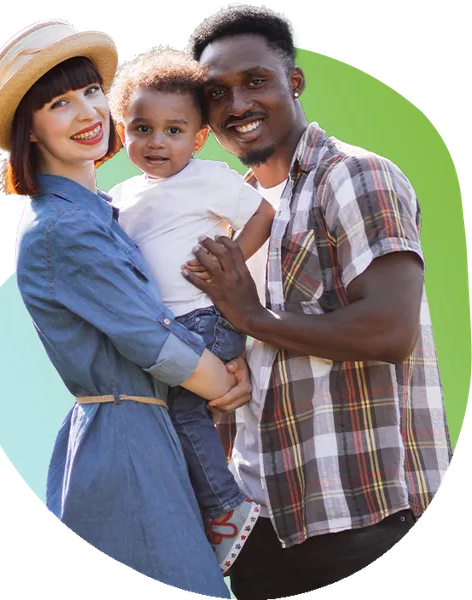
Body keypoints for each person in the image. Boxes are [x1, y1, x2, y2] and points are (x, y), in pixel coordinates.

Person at [181, 4, 454, 598]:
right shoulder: (232, 215)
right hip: (265, 531)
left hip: (367, 519)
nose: (237, 105)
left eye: (255, 81)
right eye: (216, 93)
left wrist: (249, 315)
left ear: (294, 82)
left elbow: (388, 330)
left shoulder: (354, 176)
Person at [0, 17, 249, 599]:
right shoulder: (64, 227)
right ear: (29, 130)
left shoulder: (100, 210)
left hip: (148, 427)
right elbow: (148, 338)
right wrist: (227, 379)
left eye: (91, 92)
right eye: (59, 103)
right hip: (125, 439)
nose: (87, 114)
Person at [106, 46, 273, 572]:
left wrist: (228, 264)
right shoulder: (121, 195)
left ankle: (226, 508)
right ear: (122, 130)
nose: (157, 142)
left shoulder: (208, 178)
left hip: (204, 318)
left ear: (198, 138)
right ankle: (187, 512)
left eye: (175, 130)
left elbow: (263, 212)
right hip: (161, 327)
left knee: (183, 411)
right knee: (159, 416)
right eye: (142, 128)